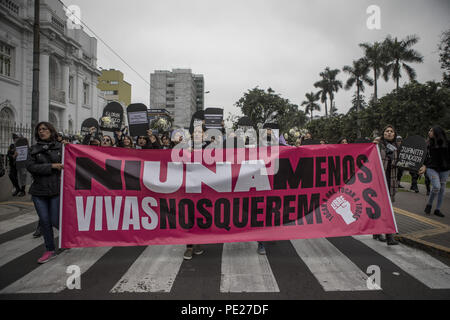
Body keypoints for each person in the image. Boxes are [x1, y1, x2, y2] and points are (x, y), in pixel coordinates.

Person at [27, 122, 63, 263]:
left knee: (55, 219)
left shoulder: (61, 147)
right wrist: (51, 166)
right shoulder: (33, 149)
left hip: (55, 189)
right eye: (39, 130)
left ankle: (68, 237)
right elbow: (31, 167)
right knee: (45, 221)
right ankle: (50, 250)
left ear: (51, 131)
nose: (42, 131)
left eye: (45, 129)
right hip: (39, 191)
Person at [373, 125, 400, 245]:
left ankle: (377, 231)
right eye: (386, 131)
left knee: (383, 207)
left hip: (391, 180)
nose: (389, 133)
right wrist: (373, 144)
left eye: (391, 131)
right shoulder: (378, 145)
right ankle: (389, 236)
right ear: (383, 133)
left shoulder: (398, 147)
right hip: (379, 180)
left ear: (394, 134)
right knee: (385, 208)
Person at [421, 126, 449, 217]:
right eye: (429, 130)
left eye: (431, 131)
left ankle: (437, 209)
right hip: (431, 168)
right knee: (437, 186)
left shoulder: (447, 143)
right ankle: (429, 204)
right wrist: (424, 165)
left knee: (442, 189)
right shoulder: (428, 144)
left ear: (437, 133)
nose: (429, 132)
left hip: (445, 169)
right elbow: (423, 156)